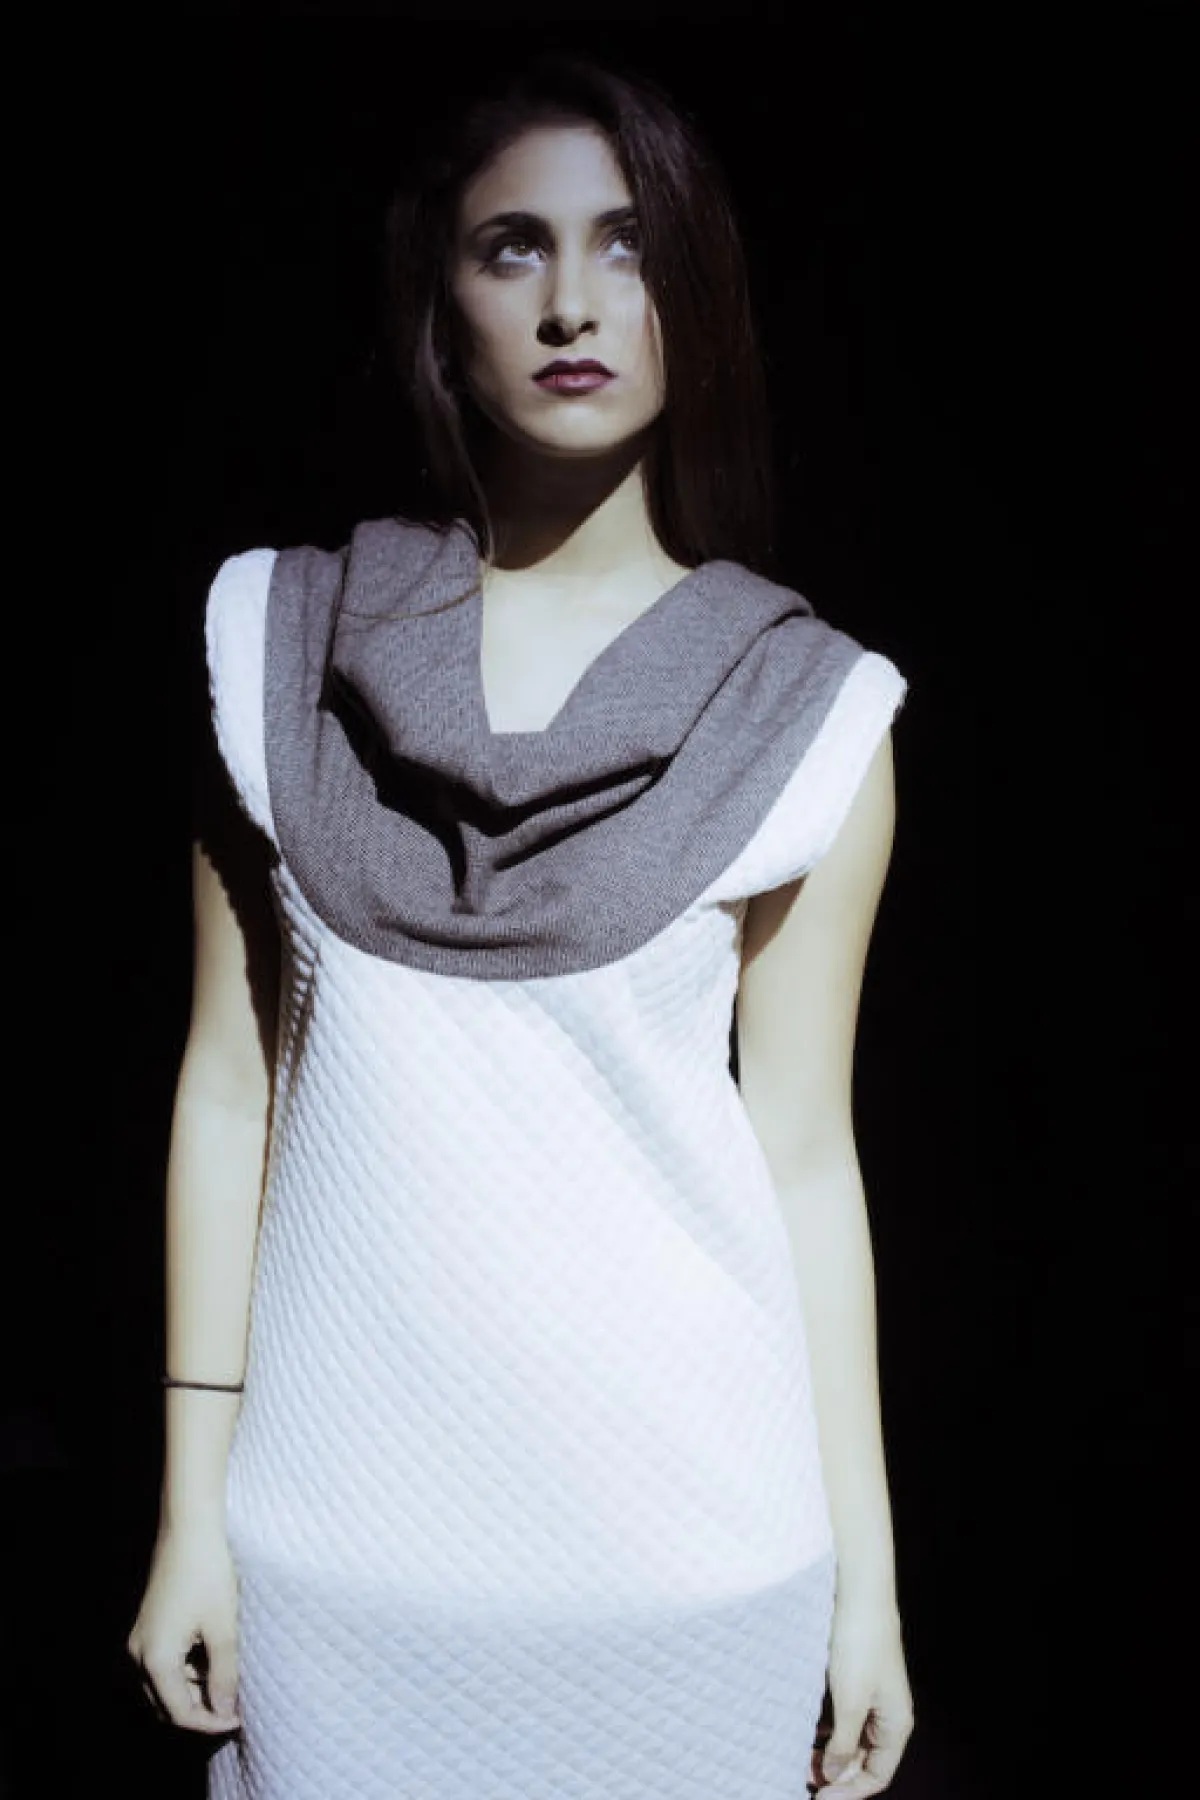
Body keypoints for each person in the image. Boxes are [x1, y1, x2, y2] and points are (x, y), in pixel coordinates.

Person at [127, 51, 916, 1800]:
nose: (573, 301)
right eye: (514, 247)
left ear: (697, 291)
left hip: (694, 1567)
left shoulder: (808, 711)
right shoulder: (274, 652)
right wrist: (188, 1508)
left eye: (628, 246)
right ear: (441, 302)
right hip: (338, 1561)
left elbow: (804, 1159)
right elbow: (228, 1091)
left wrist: (869, 1585)